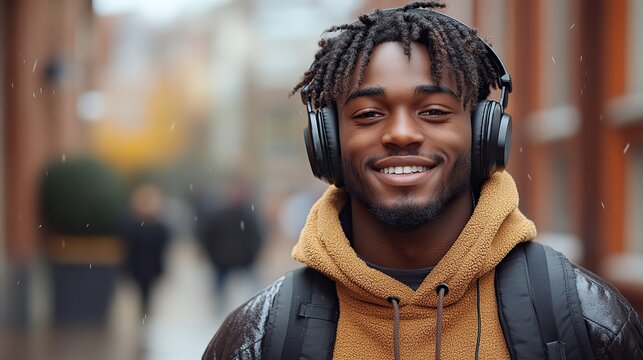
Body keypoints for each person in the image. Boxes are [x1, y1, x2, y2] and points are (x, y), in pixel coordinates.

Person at [203, 2, 643, 359]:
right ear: (328, 145)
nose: (401, 133)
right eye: (368, 114)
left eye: (433, 111)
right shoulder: (257, 340)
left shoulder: (587, 322)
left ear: (482, 134)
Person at [119, 183, 171, 316]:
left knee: (145, 291)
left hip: (148, 264)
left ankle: (144, 311)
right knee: (144, 290)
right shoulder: (136, 224)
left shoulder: (155, 225)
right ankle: (144, 311)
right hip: (141, 264)